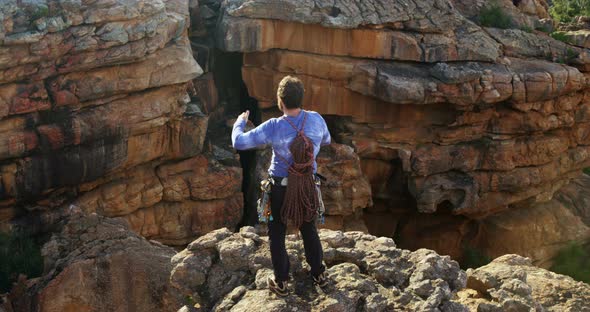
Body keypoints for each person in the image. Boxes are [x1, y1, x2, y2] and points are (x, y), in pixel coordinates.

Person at [231, 76, 331, 296]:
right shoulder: (316, 119)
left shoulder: (275, 126)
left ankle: (282, 282)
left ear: (280, 101)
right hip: (306, 186)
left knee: (277, 232)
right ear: (301, 98)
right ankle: (319, 275)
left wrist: (240, 122)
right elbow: (326, 140)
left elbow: (239, 142)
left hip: (280, 188)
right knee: (308, 228)